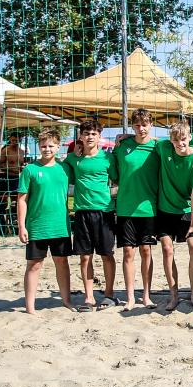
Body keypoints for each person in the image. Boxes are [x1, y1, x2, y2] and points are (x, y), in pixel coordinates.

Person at [16, 128, 73, 313]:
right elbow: (22, 200)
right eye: (43, 146)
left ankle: (66, 301)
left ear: (58, 147)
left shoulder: (65, 168)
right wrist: (22, 226)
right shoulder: (30, 169)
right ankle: (30, 306)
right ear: (39, 146)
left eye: (51, 146)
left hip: (60, 225)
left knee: (62, 262)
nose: (47, 149)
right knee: (34, 264)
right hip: (37, 225)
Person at [112, 109, 161, 309]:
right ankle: (131, 296)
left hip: (148, 207)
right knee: (128, 253)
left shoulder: (158, 147)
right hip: (125, 207)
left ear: (151, 125)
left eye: (145, 124)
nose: (141, 128)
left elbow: (180, 144)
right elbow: (113, 174)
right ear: (132, 126)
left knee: (146, 251)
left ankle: (146, 295)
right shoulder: (122, 146)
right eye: (137, 125)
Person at [156, 121, 193, 312]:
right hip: (165, 209)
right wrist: (125, 136)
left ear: (190, 137)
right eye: (176, 140)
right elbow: (146, 139)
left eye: (183, 139)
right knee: (167, 249)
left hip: (187, 210)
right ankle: (173, 295)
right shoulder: (164, 148)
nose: (180, 143)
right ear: (171, 140)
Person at [66, 118, 116, 308]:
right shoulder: (73, 159)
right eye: (86, 133)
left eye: (94, 134)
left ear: (99, 136)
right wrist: (73, 152)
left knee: (106, 255)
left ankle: (109, 294)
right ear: (80, 136)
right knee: (85, 256)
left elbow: (117, 181)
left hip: (104, 212)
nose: (90, 137)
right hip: (82, 212)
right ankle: (89, 297)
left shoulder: (108, 158)